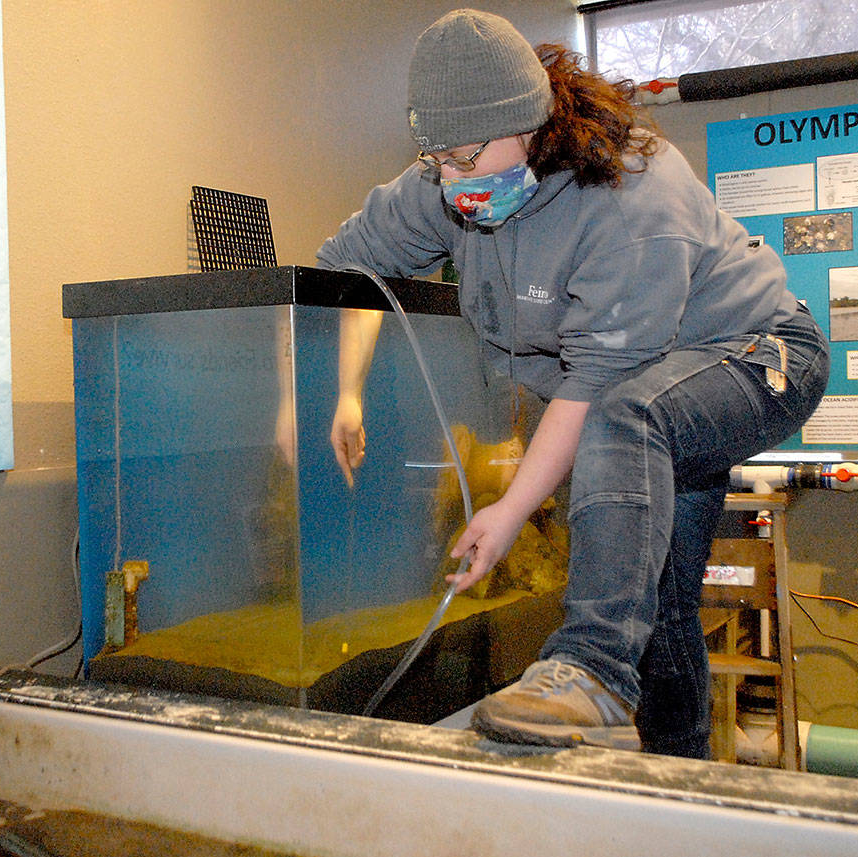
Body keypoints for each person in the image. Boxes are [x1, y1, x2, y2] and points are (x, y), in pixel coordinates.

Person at [316, 9, 830, 758]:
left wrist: (512, 508)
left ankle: (590, 665)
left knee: (631, 415)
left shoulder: (630, 193)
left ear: (528, 124)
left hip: (760, 355)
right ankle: (680, 784)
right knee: (659, 604)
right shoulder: (447, 181)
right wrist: (348, 392)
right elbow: (354, 271)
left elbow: (595, 393)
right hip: (644, 391)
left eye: (465, 157)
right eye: (437, 162)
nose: (452, 182)